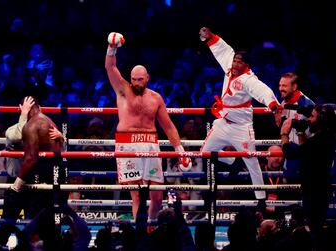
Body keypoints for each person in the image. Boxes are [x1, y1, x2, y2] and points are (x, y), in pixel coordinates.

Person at [104, 32, 192, 220]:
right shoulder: (122, 90)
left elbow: (168, 126)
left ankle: (150, 226)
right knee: (136, 195)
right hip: (127, 145)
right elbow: (110, 67)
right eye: (134, 79)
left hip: (151, 144)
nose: (136, 83)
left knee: (158, 196)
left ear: (147, 78)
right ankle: (139, 234)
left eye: (140, 79)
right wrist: (111, 47)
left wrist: (180, 151)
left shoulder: (155, 98)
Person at [198, 27, 280, 208]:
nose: (235, 64)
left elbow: (263, 91)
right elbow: (224, 50)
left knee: (252, 161)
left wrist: (274, 107)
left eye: (239, 62)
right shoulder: (230, 65)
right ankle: (232, 159)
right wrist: (210, 37)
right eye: (235, 61)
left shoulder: (249, 80)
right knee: (204, 152)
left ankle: (261, 199)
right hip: (223, 122)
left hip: (242, 126)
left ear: (246, 65)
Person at [281, 104, 336, 251]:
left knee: (314, 227)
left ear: (322, 120)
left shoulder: (319, 141)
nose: (309, 120)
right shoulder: (326, 136)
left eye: (312, 117)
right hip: (319, 186)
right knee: (315, 226)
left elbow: (291, 154)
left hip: (314, 189)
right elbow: (307, 152)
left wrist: (284, 134)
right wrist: (300, 131)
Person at [2, 97, 66, 220]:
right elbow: (17, 136)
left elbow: (33, 157)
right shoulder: (15, 128)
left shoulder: (38, 125)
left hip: (31, 175)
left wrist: (61, 138)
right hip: (23, 174)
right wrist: (24, 115)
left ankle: (8, 235)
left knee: (27, 213)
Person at [275, 72, 314, 184]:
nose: (281, 89)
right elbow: (282, 127)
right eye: (280, 85)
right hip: (291, 150)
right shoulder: (283, 104)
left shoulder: (306, 104)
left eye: (284, 86)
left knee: (305, 185)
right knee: (288, 183)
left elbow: (315, 129)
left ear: (294, 87)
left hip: (305, 152)